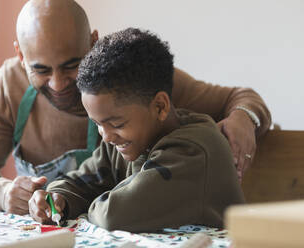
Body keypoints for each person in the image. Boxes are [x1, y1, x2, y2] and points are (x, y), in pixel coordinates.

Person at [0, 0, 270, 215]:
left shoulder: (129, 77)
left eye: (72, 65)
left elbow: (240, 97)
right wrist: (5, 193)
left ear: (92, 43)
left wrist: (244, 116)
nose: (59, 84)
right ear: (21, 57)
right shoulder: (10, 84)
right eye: (41, 70)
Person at [28, 28, 245, 231]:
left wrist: (91, 200)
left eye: (117, 124)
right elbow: (76, 183)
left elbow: (114, 215)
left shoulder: (193, 152)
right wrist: (57, 199)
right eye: (97, 124)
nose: (106, 135)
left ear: (160, 106)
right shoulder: (121, 141)